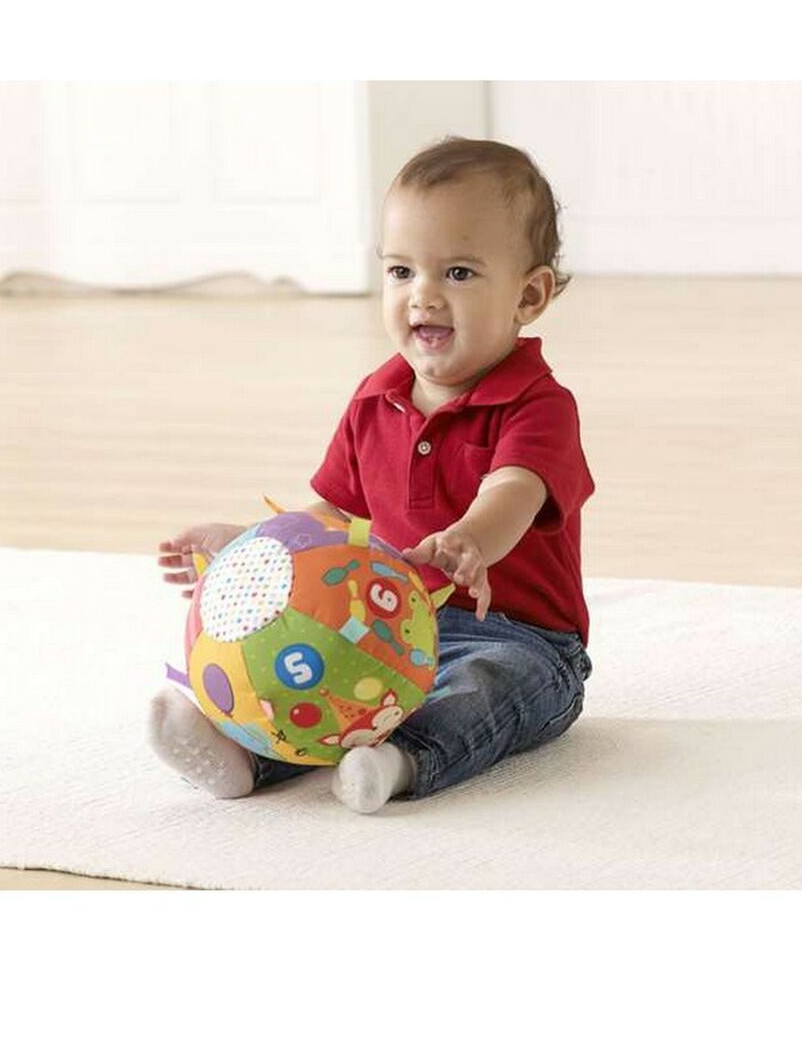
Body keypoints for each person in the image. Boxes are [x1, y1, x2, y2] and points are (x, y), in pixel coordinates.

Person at [149, 137, 594, 814]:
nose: (424, 296)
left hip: (518, 635)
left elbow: (512, 490)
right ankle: (245, 754)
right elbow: (331, 520)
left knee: (490, 685)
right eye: (402, 272)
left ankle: (400, 760)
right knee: (311, 668)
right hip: (385, 630)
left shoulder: (539, 405)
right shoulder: (374, 399)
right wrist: (250, 544)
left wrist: (471, 538)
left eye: (459, 273)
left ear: (527, 296)